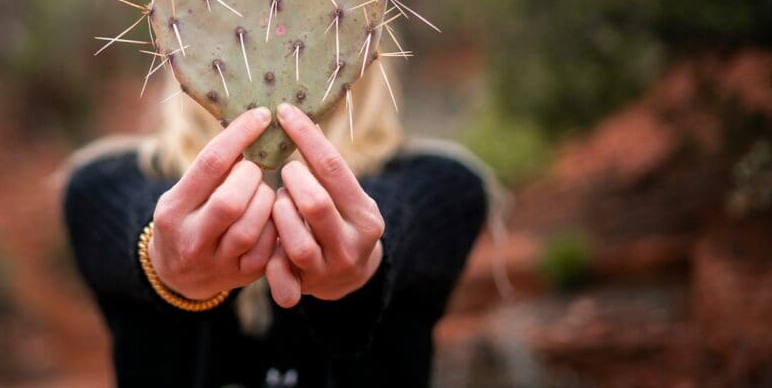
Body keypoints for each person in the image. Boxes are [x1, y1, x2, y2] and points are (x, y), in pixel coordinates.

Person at [62, 54, 490, 388]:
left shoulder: (442, 186)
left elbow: (399, 216)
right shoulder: (103, 185)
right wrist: (161, 253)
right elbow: (134, 215)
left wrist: (369, 253)